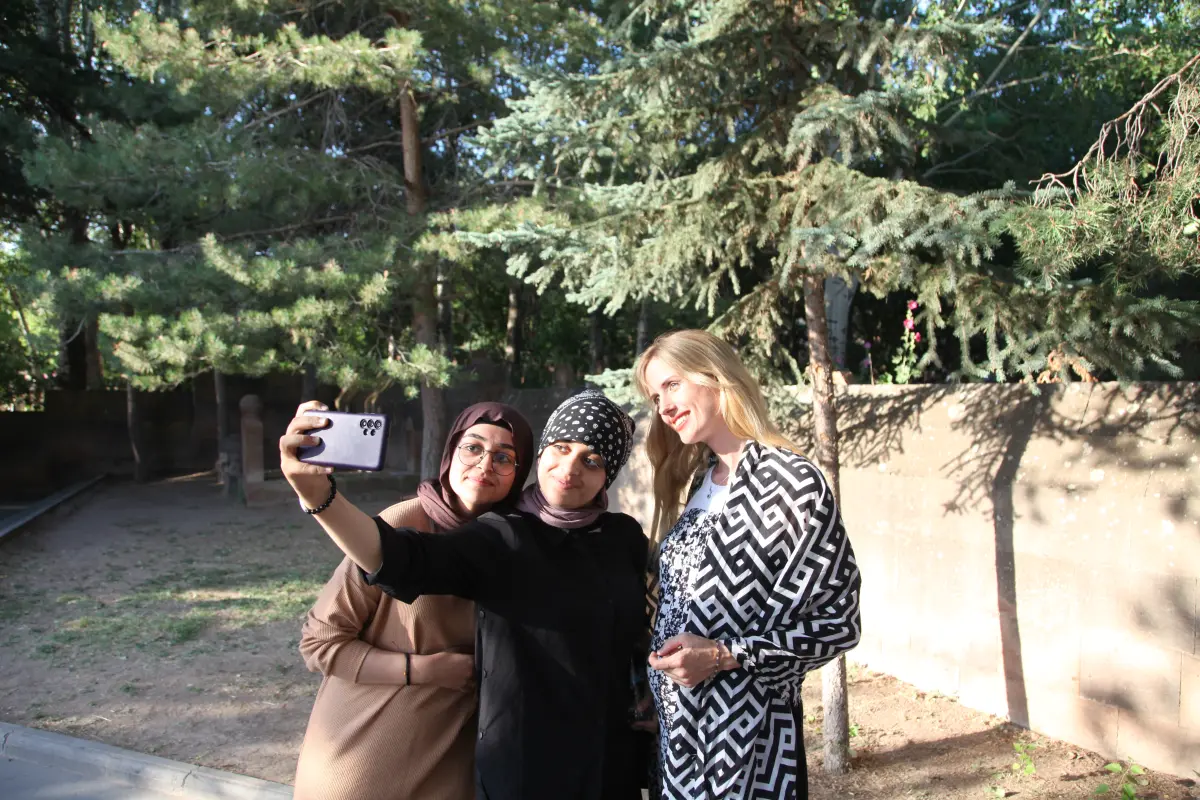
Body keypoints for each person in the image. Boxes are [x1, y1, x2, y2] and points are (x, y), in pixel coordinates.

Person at [280, 390, 647, 800]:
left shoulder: (623, 538)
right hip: (386, 757)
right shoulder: (498, 535)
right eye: (561, 448)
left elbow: (638, 629)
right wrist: (319, 496)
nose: (570, 468)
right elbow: (398, 560)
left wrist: (647, 690)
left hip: (495, 766)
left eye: (592, 460)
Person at [635, 330, 862, 800]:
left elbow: (838, 623)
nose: (664, 407)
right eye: (656, 397)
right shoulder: (703, 479)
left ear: (716, 376)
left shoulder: (791, 482)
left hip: (749, 745)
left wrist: (722, 655)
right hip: (681, 743)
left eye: (672, 385)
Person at [292, 402, 534, 800]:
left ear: (520, 474)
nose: (485, 464)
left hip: (451, 768)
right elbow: (319, 643)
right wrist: (422, 670)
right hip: (365, 760)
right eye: (473, 447)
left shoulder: (518, 546)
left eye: (504, 457)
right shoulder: (403, 524)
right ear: (451, 452)